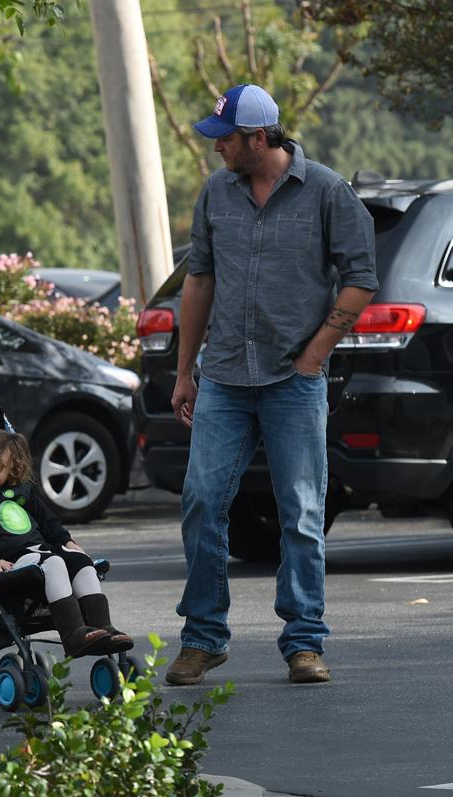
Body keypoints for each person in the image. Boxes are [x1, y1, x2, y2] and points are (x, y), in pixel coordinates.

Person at [166, 85, 378, 686]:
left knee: (302, 512)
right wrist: (185, 372)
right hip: (225, 377)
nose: (218, 149)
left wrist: (315, 354)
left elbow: (361, 279)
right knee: (203, 501)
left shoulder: (328, 192)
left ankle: (304, 644)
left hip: (294, 379)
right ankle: (204, 638)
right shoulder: (216, 192)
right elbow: (199, 281)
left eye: (226, 139)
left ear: (260, 139)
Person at [0, 428, 133, 658]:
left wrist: (68, 541)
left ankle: (103, 627)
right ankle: (74, 635)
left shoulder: (22, 491)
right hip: (10, 560)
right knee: (53, 563)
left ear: (11, 470)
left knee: (81, 561)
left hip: (40, 550)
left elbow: (49, 521)